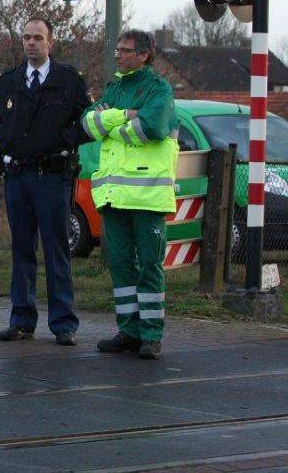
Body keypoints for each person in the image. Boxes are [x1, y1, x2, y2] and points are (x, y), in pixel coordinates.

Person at [0, 18, 91, 346]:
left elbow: (86, 122)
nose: (31, 43)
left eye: (38, 38)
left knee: (57, 249)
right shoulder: (8, 82)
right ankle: (21, 319)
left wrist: (61, 139)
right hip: (18, 177)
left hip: (52, 176)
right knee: (21, 249)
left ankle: (62, 323)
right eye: (27, 37)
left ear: (50, 42)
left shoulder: (68, 81)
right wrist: (9, 140)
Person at [85, 30, 179, 360]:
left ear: (144, 55)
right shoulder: (114, 88)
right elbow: (89, 124)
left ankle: (151, 335)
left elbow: (152, 127)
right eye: (117, 50)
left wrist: (112, 126)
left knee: (149, 267)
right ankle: (128, 330)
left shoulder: (159, 89)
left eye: (125, 51)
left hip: (147, 197)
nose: (119, 55)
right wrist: (125, 116)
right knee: (122, 266)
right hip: (114, 196)